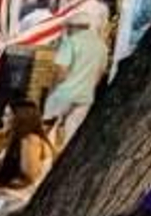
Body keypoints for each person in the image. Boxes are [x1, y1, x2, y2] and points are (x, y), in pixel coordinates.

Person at [44, 11, 110, 144]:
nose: (66, 31)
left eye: (68, 27)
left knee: (47, 132)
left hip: (63, 94)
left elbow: (61, 72)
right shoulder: (102, 47)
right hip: (86, 96)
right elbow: (100, 74)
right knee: (71, 135)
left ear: (75, 27)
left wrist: (51, 90)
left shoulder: (70, 42)